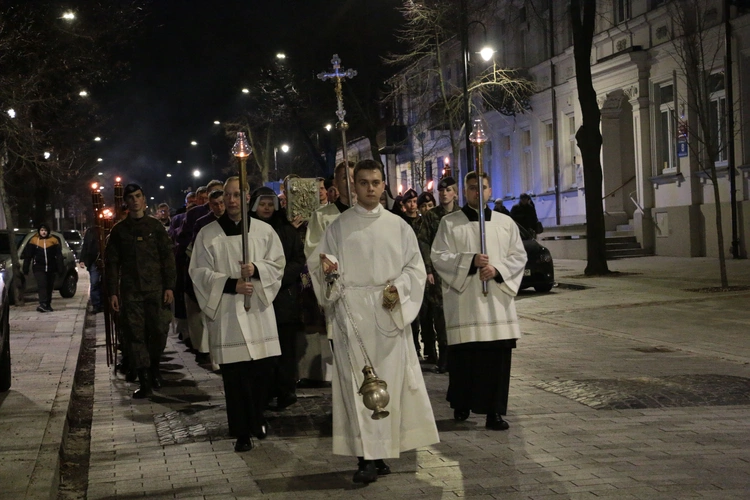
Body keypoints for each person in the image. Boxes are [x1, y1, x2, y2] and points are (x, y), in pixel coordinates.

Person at [308, 159, 439, 484]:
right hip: (351, 315)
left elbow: (415, 268)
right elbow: (324, 265)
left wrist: (398, 289)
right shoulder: (338, 227)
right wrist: (332, 279)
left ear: (383, 186)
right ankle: (365, 457)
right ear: (354, 185)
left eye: (375, 182)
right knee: (358, 388)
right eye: (363, 182)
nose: (369, 188)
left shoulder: (399, 226)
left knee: (389, 384)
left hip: (388, 312)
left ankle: (383, 451)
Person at [189, 177, 285, 453]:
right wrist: (231, 284)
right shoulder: (207, 235)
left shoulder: (264, 231)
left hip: (257, 312)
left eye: (235, 195)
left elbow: (278, 264)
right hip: (229, 314)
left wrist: (256, 269)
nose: (231, 201)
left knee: (261, 373)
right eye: (226, 195)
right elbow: (198, 273)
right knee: (235, 378)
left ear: (245, 197)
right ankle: (241, 431)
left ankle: (258, 418)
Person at [431, 172, 527, 431]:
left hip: (496, 305)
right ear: (465, 191)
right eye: (472, 188)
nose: (477, 192)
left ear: (489, 190)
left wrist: (497, 270)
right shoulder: (450, 223)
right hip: (466, 304)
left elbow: (519, 256)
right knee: (466, 361)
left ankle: (494, 412)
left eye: (482, 187)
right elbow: (438, 256)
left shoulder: (506, 223)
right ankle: (462, 402)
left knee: (496, 362)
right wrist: (469, 262)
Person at [105, 184, 176, 399]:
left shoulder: (156, 228)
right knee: (135, 335)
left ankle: (154, 367)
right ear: (126, 202)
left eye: (138, 196)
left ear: (144, 199)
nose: (135, 200)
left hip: (156, 290)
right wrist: (113, 292)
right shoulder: (119, 231)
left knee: (158, 332)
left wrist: (170, 286)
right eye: (131, 197)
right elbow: (112, 263)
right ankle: (144, 380)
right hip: (131, 291)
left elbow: (168, 259)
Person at [250, 186, 305, 410]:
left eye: (270, 204)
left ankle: (286, 389)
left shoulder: (286, 231)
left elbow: (297, 259)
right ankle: (265, 389)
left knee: (285, 348)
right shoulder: (249, 231)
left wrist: (277, 279)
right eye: (262, 204)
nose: (266, 208)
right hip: (259, 297)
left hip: (284, 297)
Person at [416, 177, 461, 372]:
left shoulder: (462, 215)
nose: (444, 193)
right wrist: (427, 269)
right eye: (441, 191)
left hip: (459, 270)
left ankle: (459, 353)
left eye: (448, 190)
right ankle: (444, 353)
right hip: (438, 271)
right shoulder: (431, 216)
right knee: (440, 314)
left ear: (455, 193)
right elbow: (424, 242)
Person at [304, 161, 355, 259]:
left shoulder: (367, 213)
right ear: (335, 183)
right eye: (345, 178)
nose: (351, 182)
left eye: (354, 177)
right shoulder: (321, 216)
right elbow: (314, 252)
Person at [22, 223, 63, 313]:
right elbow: (28, 255)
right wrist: (25, 268)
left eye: (45, 230)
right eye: (41, 230)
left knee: (49, 286)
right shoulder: (34, 240)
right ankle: (42, 303)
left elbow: (59, 255)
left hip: (51, 267)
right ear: (39, 231)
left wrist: (60, 268)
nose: (43, 232)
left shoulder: (54, 240)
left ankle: (48, 304)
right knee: (42, 285)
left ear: (48, 231)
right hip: (39, 267)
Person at [79, 225, 103, 313]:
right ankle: (97, 304)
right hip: (94, 261)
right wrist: (82, 259)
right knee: (94, 282)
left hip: (105, 260)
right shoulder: (90, 232)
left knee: (103, 283)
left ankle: (102, 303)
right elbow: (86, 246)